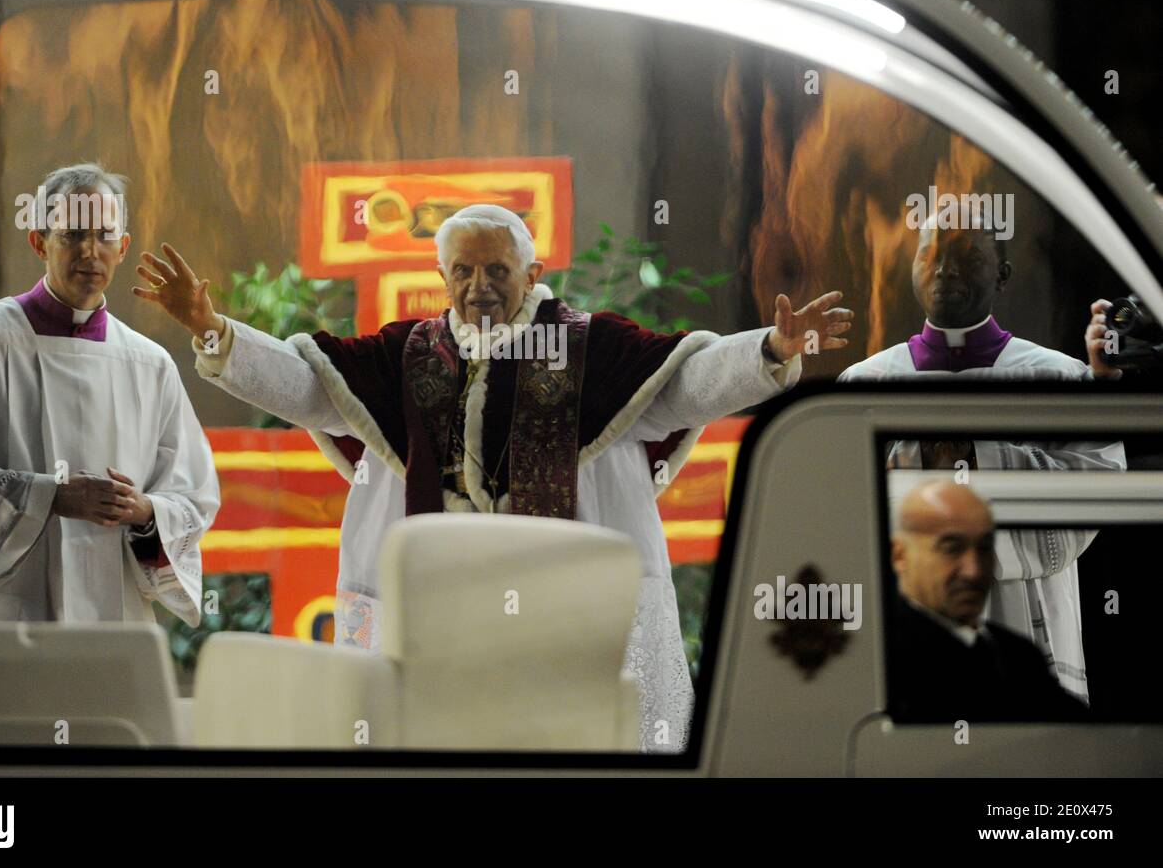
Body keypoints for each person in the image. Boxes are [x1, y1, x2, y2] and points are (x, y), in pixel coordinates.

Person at [135, 203, 854, 752]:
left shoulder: (592, 347)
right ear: (441, 277)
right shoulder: (408, 353)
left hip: (563, 610)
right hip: (439, 612)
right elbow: (308, 387)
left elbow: (688, 383)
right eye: (464, 271)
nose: (479, 287)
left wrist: (769, 349)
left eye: (498, 271)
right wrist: (213, 330)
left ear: (533, 274)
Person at [0, 163, 218, 626]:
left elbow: (194, 494)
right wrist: (51, 497)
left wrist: (147, 512)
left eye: (105, 236)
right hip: (1, 610)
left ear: (123, 248)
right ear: (39, 241)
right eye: (72, 235)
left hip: (111, 614)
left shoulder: (150, 366)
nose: (90, 251)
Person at [840, 207, 1125, 702]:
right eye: (930, 253)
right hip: (903, 634)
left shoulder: (1058, 378)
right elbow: (837, 516)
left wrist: (966, 454)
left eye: (968, 257)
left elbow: (1098, 489)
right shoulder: (865, 383)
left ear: (1004, 274)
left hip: (1026, 630)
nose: (945, 269)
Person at [889, 480, 1086, 723]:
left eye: (984, 548)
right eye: (952, 548)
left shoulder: (1017, 654)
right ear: (899, 555)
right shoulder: (880, 654)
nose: (974, 570)